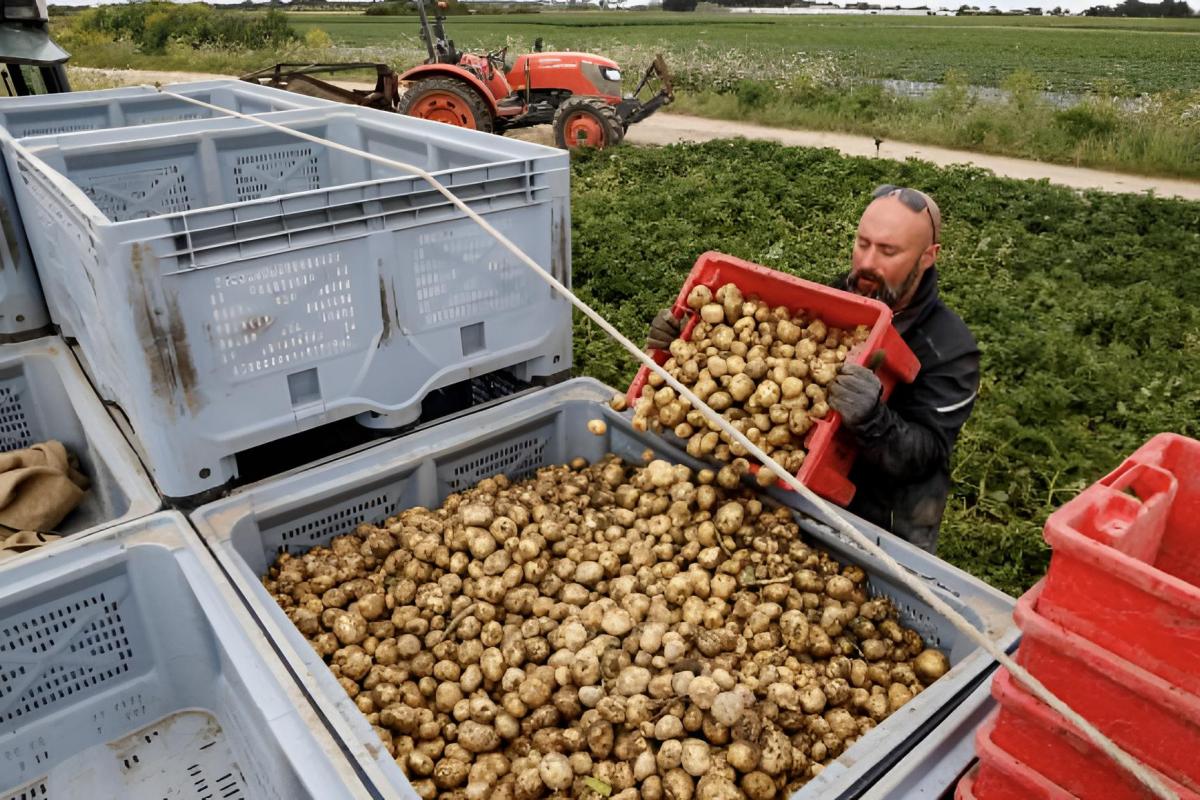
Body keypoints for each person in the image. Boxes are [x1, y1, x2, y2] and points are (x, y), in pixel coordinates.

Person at [646, 185, 979, 553]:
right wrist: (681, 343)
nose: (867, 262)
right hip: (806, 493)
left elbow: (927, 455)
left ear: (928, 257)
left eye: (889, 251)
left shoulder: (950, 349)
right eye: (862, 243)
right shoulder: (843, 295)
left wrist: (873, 419)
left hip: (884, 520)